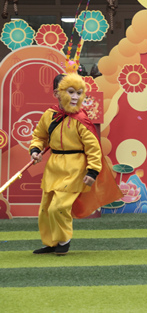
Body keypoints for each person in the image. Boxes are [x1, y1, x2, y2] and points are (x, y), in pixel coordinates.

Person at [29, 73, 122, 255]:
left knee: (59, 207)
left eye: (79, 93)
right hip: (53, 167)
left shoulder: (81, 120)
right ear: (57, 93)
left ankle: (64, 240)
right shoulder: (49, 115)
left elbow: (93, 149)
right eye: (70, 92)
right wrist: (34, 150)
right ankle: (52, 242)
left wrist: (93, 171)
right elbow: (39, 136)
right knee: (46, 208)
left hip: (75, 169)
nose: (75, 97)